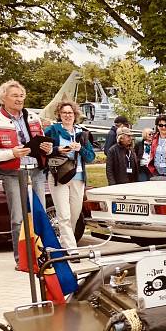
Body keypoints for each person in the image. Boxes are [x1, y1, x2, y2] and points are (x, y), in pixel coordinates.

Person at [0, 80, 53, 266]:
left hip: (36, 171)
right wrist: (12, 153)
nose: (19, 99)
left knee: (39, 215)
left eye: (22, 96)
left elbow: (45, 144)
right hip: (12, 173)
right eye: (15, 96)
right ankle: (22, 260)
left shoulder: (33, 117)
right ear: (3, 98)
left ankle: (42, 257)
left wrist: (48, 148)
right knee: (18, 218)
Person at [44, 100, 96, 251]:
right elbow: (42, 150)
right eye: (64, 113)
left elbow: (91, 157)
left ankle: (64, 244)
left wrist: (80, 149)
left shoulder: (82, 132)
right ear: (59, 114)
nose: (67, 115)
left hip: (78, 177)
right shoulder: (52, 130)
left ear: (75, 114)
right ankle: (71, 250)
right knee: (64, 215)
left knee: (74, 215)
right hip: (58, 177)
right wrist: (58, 149)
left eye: (70, 113)